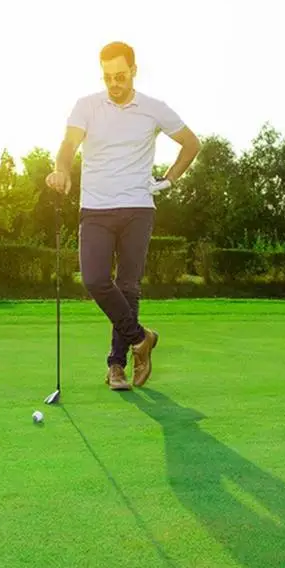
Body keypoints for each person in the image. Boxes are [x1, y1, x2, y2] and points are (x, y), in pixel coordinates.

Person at [45, 42, 202, 390]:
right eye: (107, 77)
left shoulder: (153, 109)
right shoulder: (86, 106)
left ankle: (117, 366)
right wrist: (62, 170)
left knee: (128, 286)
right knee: (95, 279)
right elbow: (68, 145)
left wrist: (169, 180)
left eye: (120, 76)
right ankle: (141, 338)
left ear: (133, 71)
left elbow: (192, 144)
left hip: (137, 208)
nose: (113, 84)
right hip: (95, 208)